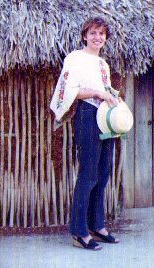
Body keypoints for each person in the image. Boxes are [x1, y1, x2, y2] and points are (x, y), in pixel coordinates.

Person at [50, 17, 120, 250]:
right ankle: (79, 232)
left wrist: (111, 95)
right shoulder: (75, 58)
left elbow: (105, 89)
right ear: (84, 35)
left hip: (104, 118)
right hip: (87, 116)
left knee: (102, 172)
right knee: (88, 173)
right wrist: (99, 94)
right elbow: (70, 91)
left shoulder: (102, 64)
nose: (97, 37)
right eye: (93, 33)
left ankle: (96, 226)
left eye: (101, 34)